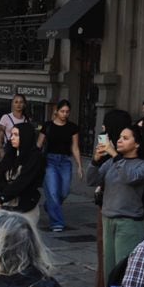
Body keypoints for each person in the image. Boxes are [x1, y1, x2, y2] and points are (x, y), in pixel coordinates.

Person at [84, 123, 144, 287]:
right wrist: (95, 160)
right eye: (119, 137)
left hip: (130, 222)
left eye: (125, 138)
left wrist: (115, 155)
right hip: (108, 218)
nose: (119, 140)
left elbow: (130, 177)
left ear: (137, 144)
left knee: (125, 269)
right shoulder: (112, 161)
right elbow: (91, 180)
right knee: (110, 269)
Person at [40, 99, 83, 232]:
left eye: (67, 112)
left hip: (65, 161)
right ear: (56, 111)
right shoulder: (47, 126)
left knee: (63, 191)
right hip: (50, 160)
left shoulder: (72, 128)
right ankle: (57, 222)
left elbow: (75, 147)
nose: (65, 114)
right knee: (53, 191)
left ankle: (50, 205)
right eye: (62, 111)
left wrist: (79, 165)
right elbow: (39, 144)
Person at [0, 121, 45, 227]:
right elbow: (0, 175)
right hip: (8, 206)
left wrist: (1, 199)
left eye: (16, 135)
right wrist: (5, 192)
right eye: (11, 134)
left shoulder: (35, 157)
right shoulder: (10, 154)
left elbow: (24, 181)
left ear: (25, 136)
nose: (12, 138)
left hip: (26, 207)